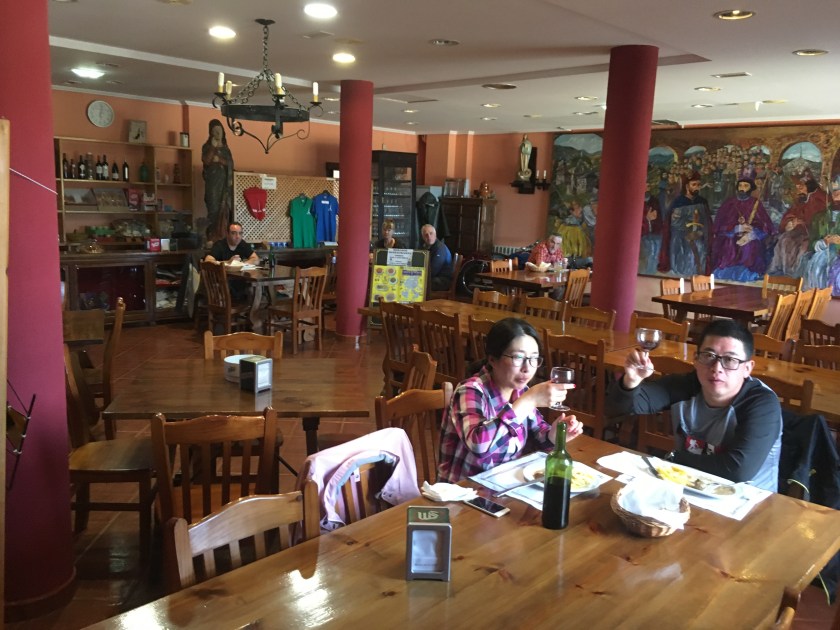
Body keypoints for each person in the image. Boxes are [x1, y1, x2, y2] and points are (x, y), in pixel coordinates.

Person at [605, 319, 782, 492]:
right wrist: (631, 381)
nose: (717, 368)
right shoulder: (687, 385)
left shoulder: (762, 403)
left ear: (747, 368)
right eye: (709, 356)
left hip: (749, 501)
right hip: (688, 487)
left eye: (730, 360)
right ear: (696, 359)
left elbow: (737, 470)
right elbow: (620, 407)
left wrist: (673, 458)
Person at [437, 318, 584, 483]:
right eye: (518, 357)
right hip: (464, 491)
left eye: (534, 358)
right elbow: (478, 446)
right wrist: (528, 400)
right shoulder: (469, 391)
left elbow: (538, 434)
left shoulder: (520, 391)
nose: (527, 368)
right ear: (492, 359)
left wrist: (554, 434)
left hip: (504, 484)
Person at [710, 177, 775, 282]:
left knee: (750, 247)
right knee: (728, 247)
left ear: (750, 188)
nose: (742, 188)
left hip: (750, 238)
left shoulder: (755, 203)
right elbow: (718, 226)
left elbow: (766, 226)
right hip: (729, 238)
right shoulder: (728, 203)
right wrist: (736, 228)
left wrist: (752, 233)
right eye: (740, 185)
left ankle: (748, 277)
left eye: (745, 186)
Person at [658, 171, 712, 276]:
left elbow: (706, 222)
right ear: (687, 186)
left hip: (698, 236)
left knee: (700, 251)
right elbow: (674, 223)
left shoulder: (702, 202)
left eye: (699, 185)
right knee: (684, 262)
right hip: (681, 238)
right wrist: (688, 233)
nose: (697, 187)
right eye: (694, 184)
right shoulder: (678, 202)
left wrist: (700, 232)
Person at [202, 119, 235, 244]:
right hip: (213, 183)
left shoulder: (226, 149)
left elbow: (231, 164)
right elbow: (206, 161)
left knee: (225, 209)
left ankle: (223, 236)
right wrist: (213, 147)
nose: (217, 133)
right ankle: (212, 236)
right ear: (210, 132)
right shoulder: (207, 147)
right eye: (214, 131)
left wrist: (220, 160)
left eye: (219, 130)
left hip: (225, 185)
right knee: (213, 208)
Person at [421, 223, 453, 291]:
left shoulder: (440, 248)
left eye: (431, 233)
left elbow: (433, 271)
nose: (429, 237)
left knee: (417, 283)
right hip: (434, 278)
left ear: (435, 234)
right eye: (426, 235)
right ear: (423, 237)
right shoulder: (426, 247)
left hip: (442, 280)